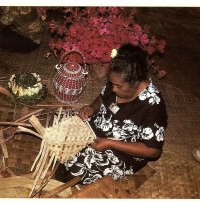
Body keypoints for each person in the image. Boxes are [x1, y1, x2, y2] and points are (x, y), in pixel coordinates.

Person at [55, 44, 168, 185]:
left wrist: (110, 143)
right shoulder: (118, 78)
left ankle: (57, 176)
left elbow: (152, 151)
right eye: (111, 84)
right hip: (95, 129)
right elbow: (103, 97)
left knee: (75, 169)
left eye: (118, 86)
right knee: (57, 134)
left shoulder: (153, 105)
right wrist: (91, 108)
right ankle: (57, 169)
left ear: (135, 82)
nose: (113, 89)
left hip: (120, 152)